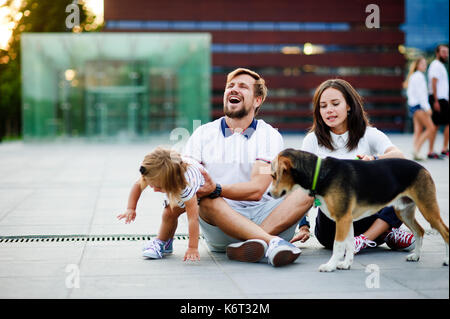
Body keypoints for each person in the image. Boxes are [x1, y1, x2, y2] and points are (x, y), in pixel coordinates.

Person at [178, 67, 312, 267]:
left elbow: (257, 188)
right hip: (222, 223)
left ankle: (254, 243)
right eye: (230, 86)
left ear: (257, 100)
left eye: (242, 86)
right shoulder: (203, 134)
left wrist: (216, 188)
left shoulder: (269, 136)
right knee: (207, 201)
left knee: (309, 189)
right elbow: (187, 182)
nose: (233, 89)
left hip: (268, 217)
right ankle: (271, 243)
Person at [290, 79, 416, 254]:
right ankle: (385, 233)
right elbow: (300, 187)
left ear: (349, 105)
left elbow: (399, 157)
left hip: (367, 214)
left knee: (407, 183)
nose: (329, 110)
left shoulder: (368, 134)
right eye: (323, 106)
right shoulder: (313, 140)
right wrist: (303, 226)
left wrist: (374, 159)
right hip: (331, 227)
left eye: (335, 104)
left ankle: (365, 240)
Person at [117, 147, 204, 262]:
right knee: (169, 213)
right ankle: (166, 243)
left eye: (159, 187)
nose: (154, 190)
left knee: (169, 212)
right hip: (181, 186)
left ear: (171, 182)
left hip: (202, 193)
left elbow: (193, 218)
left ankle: (161, 241)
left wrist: (192, 248)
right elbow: (138, 185)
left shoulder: (185, 185)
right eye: (151, 185)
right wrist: (130, 208)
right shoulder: (156, 171)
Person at [404, 56, 434, 160]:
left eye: (425, 64)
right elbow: (421, 94)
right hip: (420, 107)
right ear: (417, 65)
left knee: (418, 130)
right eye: (423, 64)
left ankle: (416, 151)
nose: (425, 66)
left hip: (413, 106)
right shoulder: (419, 76)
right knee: (431, 128)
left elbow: (410, 93)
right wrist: (427, 108)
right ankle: (416, 150)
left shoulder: (413, 76)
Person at [427, 44, 449, 159]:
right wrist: (436, 101)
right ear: (437, 53)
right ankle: (436, 150)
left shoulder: (440, 65)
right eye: (444, 52)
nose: (446, 54)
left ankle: (441, 149)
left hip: (441, 99)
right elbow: (434, 83)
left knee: (437, 125)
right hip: (438, 99)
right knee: (435, 125)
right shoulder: (436, 65)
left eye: (447, 52)